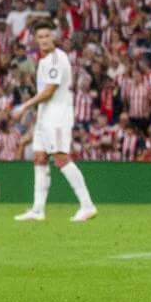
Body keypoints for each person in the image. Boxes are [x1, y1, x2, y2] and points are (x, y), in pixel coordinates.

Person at [13, 20, 98, 222]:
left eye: (47, 36)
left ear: (53, 37)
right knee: (40, 158)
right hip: (45, 116)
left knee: (60, 158)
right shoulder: (43, 61)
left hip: (58, 116)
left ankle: (87, 205)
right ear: (35, 40)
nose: (43, 40)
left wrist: (25, 106)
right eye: (40, 37)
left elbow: (50, 91)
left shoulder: (56, 59)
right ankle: (38, 210)